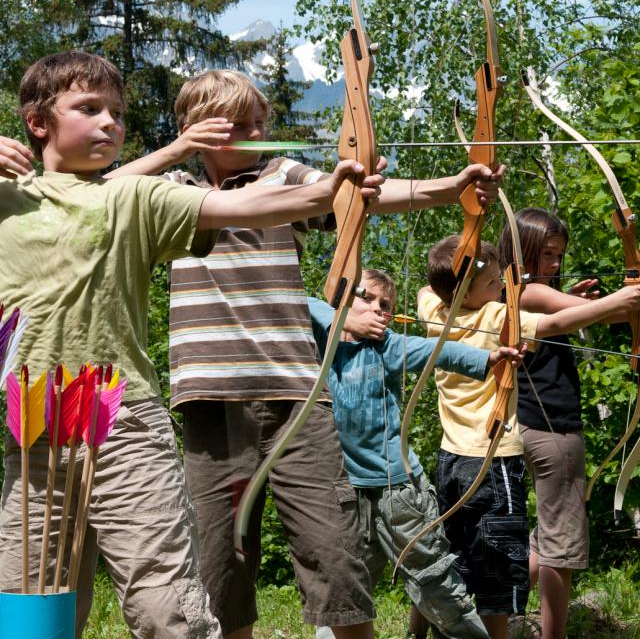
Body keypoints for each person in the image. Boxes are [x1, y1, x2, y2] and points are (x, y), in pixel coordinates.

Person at [110, 68, 506, 639]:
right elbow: (99, 195)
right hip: (210, 401)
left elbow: (360, 194)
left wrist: (452, 187)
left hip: (297, 397)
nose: (257, 133)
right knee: (222, 565)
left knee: (335, 555)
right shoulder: (170, 187)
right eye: (242, 125)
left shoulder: (284, 174)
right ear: (201, 129)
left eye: (259, 122)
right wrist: (178, 148)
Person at [0, 51, 380, 639]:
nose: (109, 123)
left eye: (117, 112)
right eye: (89, 108)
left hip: (120, 419)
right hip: (32, 430)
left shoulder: (134, 197)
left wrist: (335, 188)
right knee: (31, 615)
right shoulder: (9, 198)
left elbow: (249, 204)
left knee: (166, 610)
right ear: (36, 121)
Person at [418, 235, 640, 639]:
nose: (501, 289)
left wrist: (462, 272)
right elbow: (555, 324)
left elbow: (427, 288)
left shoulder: (435, 311)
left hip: (451, 459)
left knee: (459, 557)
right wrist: (620, 302)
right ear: (467, 291)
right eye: (492, 283)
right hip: (494, 459)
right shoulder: (496, 317)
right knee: (499, 567)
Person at [311, 267, 527, 639]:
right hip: (344, 493)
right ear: (341, 299)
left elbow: (437, 350)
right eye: (367, 298)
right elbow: (295, 302)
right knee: (343, 583)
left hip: (398, 493)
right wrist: (342, 319)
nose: (378, 309)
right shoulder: (321, 340)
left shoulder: (388, 345)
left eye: (386, 305)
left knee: (434, 581)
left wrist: (489, 358)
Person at [498, 209, 600, 639]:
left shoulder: (514, 292)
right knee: (563, 544)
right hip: (552, 430)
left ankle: (479, 612)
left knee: (547, 537)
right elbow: (610, 311)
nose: (555, 264)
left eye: (559, 255)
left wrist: (570, 299)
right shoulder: (528, 291)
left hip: (533, 426)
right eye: (547, 255)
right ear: (521, 252)